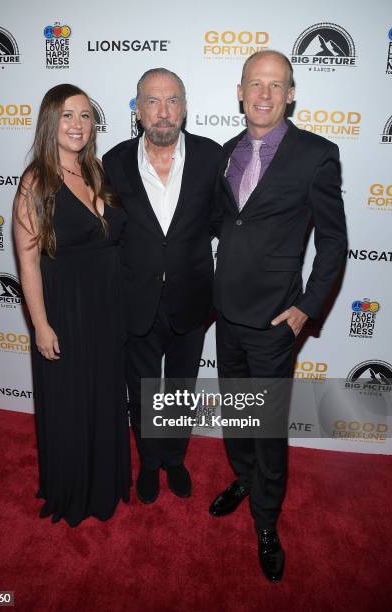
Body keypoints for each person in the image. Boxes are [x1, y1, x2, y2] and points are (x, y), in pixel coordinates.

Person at [209, 51, 347, 581]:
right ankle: (243, 480)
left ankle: (266, 522)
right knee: (238, 414)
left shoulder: (316, 153)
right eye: (255, 84)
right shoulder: (224, 154)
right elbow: (225, 224)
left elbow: (333, 242)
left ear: (290, 94)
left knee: (266, 429)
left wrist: (306, 309)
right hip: (226, 316)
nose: (264, 94)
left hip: (274, 322)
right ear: (240, 92)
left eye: (276, 85)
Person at [13, 84, 131, 527]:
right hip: (65, 309)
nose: (78, 124)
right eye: (67, 116)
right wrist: (40, 325)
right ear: (50, 122)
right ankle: (74, 490)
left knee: (104, 396)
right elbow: (26, 258)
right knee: (71, 401)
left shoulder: (96, 170)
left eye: (85, 115)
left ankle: (105, 479)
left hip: (106, 307)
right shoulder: (36, 181)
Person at [102, 68, 222, 504]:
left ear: (185, 107)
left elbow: (223, 221)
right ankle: (149, 463)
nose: (164, 111)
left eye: (173, 100)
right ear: (137, 110)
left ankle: (174, 458)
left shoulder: (212, 157)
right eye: (153, 101)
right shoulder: (113, 162)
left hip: (192, 299)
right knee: (144, 389)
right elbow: (106, 232)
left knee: (180, 387)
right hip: (137, 301)